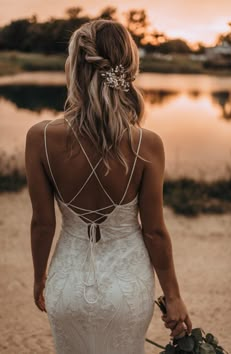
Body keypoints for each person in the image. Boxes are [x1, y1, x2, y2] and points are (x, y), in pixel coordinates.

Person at [25, 19, 192, 354]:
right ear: (128, 69)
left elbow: (43, 224)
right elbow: (155, 232)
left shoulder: (40, 137)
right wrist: (173, 296)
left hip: (66, 286)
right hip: (126, 289)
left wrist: (40, 278)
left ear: (74, 68)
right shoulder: (147, 144)